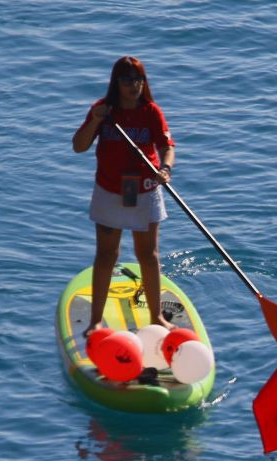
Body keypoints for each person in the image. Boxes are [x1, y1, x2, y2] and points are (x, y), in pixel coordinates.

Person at [72, 56, 177, 336]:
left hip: (145, 191)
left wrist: (165, 169)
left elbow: (167, 147)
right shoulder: (103, 111)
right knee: (107, 255)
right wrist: (94, 121)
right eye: (128, 80)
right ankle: (95, 321)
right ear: (116, 83)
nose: (134, 85)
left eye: (139, 79)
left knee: (149, 255)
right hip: (110, 191)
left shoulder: (151, 112)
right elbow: (78, 146)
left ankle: (156, 318)